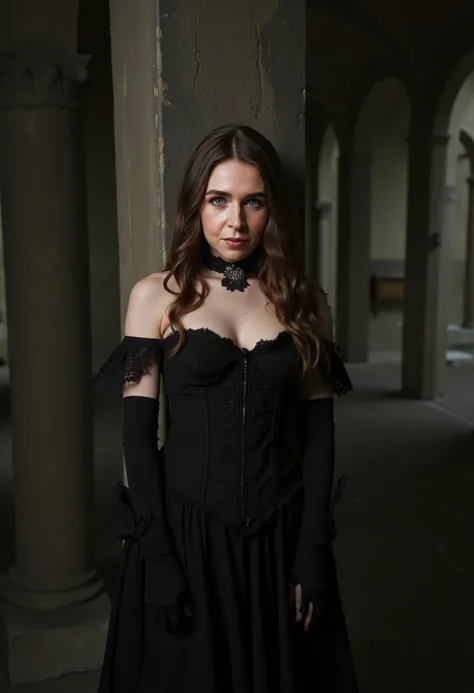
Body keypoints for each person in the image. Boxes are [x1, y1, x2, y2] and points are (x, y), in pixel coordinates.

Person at [94, 124, 359, 693]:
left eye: (252, 202)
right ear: (198, 204)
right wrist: (158, 556)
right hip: (186, 537)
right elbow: (137, 437)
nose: (235, 222)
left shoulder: (304, 302)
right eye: (219, 200)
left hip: (278, 535)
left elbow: (319, 434)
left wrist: (312, 546)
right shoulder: (155, 296)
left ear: (271, 210)